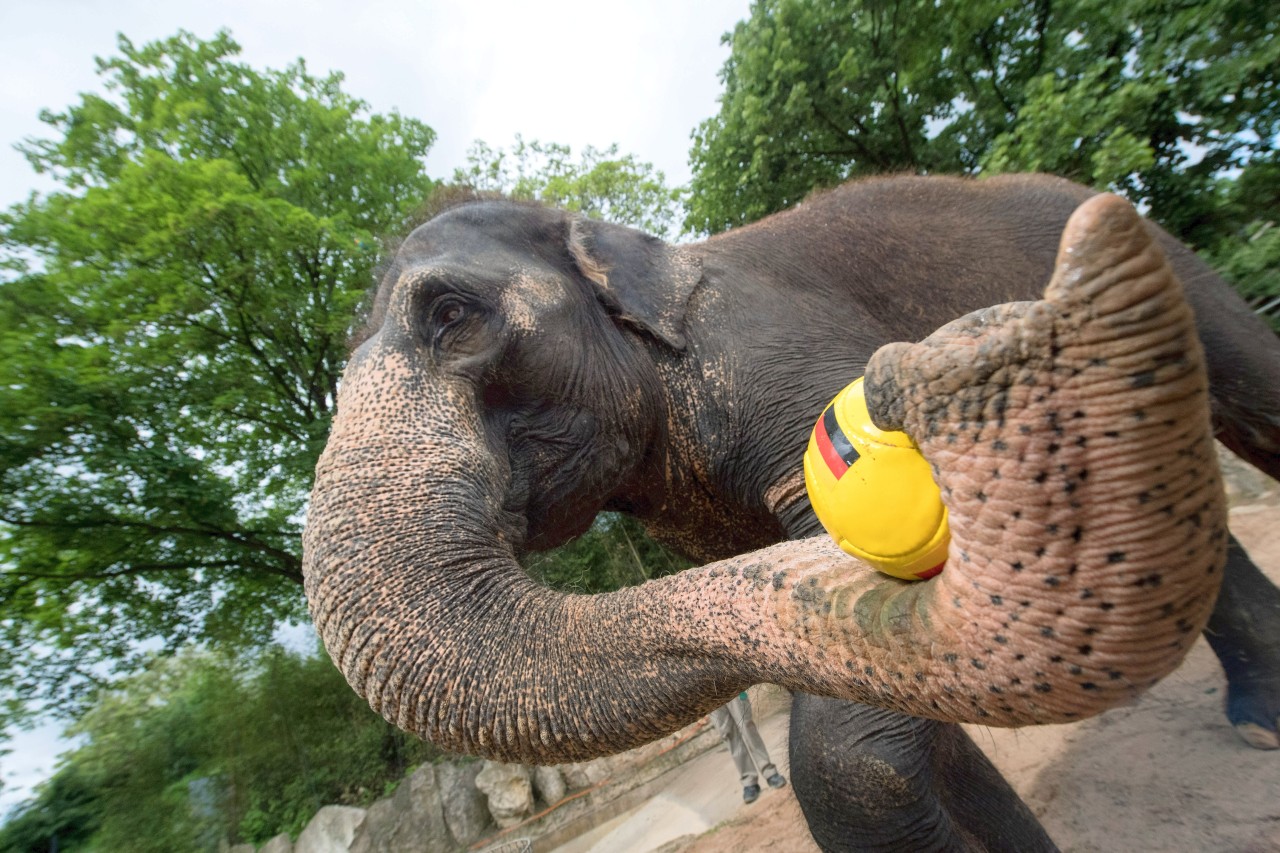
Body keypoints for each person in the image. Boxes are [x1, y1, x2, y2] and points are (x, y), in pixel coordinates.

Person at [710, 692, 787, 803]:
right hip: (708, 692)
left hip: (730, 681)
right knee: (727, 733)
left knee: (746, 726)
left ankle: (769, 772)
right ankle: (749, 782)